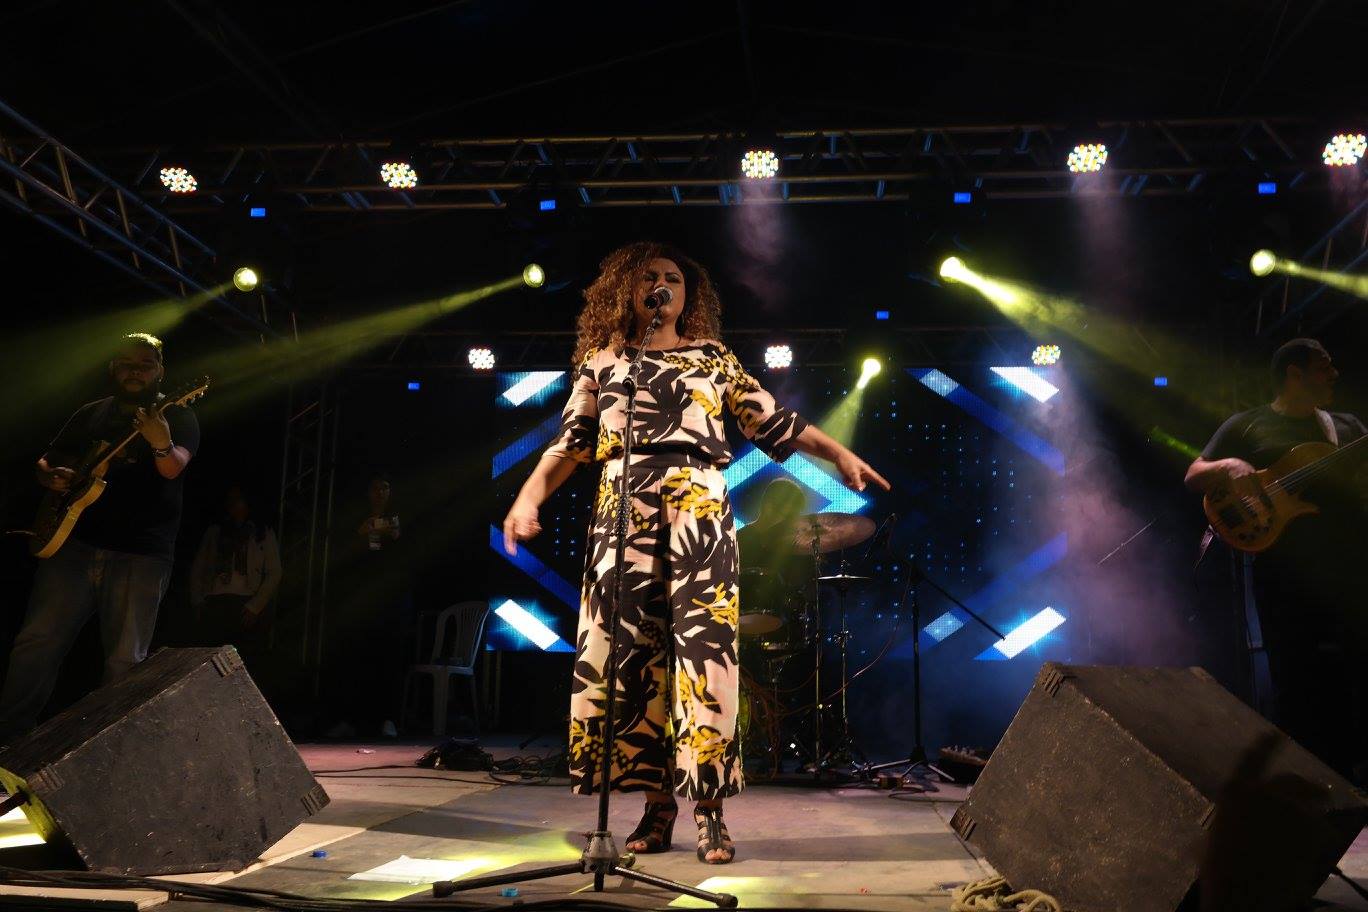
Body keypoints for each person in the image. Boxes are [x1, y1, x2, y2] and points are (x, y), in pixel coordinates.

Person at [502, 242, 890, 864]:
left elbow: (773, 421)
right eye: (649, 277)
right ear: (626, 290)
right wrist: (527, 500)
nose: (661, 284)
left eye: (673, 278)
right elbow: (570, 444)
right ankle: (657, 809)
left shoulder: (712, 357)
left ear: (688, 296)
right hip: (623, 516)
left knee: (704, 662)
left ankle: (710, 813)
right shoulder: (605, 361)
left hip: (699, 515)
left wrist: (839, 454)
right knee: (631, 663)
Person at [0, 332, 200, 742]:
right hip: (74, 544)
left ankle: (111, 747)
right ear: (113, 368)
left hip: (141, 553)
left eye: (145, 365)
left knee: (126, 660)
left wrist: (161, 444)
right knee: (37, 641)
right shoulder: (92, 413)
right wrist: (51, 476)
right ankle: (9, 738)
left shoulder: (177, 416)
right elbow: (47, 459)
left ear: (160, 371)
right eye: (127, 364)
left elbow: (173, 468)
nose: (135, 372)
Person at [1185, 338, 1368, 777]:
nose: (1334, 374)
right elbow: (1194, 474)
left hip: (1348, 570)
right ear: (1294, 374)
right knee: (1294, 677)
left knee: (1353, 673)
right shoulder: (1247, 425)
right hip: (1284, 576)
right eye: (1324, 366)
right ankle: (1305, 778)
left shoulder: (1346, 428)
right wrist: (1229, 465)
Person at [323, 473, 410, 739]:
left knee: (389, 657)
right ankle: (351, 719)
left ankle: (388, 718)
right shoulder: (356, 519)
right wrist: (360, 533)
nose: (380, 492)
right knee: (356, 657)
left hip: (391, 598)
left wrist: (396, 534)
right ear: (368, 492)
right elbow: (342, 553)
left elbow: (411, 554)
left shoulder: (400, 517)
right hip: (362, 597)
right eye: (375, 488)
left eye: (385, 487)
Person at [189, 486, 282, 666]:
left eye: (238, 499)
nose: (233, 504)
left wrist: (255, 606)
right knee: (212, 662)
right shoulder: (215, 531)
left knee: (244, 661)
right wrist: (197, 600)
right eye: (230, 499)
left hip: (245, 604)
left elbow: (275, 571)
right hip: (216, 601)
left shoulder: (261, 532)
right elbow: (198, 567)